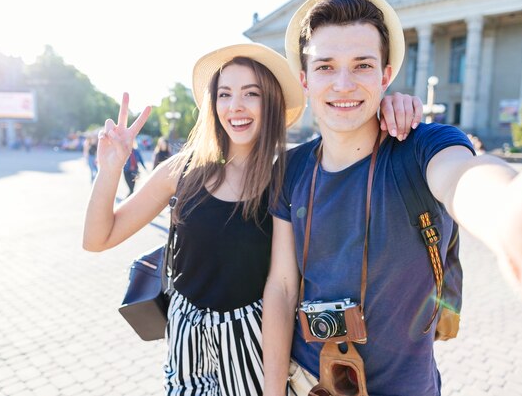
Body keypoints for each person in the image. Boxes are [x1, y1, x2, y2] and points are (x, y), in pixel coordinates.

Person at [261, 0, 522, 396]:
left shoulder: (423, 146)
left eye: (362, 65)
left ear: (385, 76)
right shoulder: (292, 168)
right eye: (325, 67)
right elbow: (282, 288)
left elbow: (464, 176)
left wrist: (517, 213)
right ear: (304, 80)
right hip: (307, 383)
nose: (343, 84)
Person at [83, 42, 422, 395]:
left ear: (271, 103)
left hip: (253, 342)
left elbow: (351, 143)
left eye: (251, 93)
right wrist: (109, 168)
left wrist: (389, 105)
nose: (236, 107)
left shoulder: (286, 176)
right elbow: (97, 239)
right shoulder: (182, 169)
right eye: (225, 94)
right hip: (185, 333)